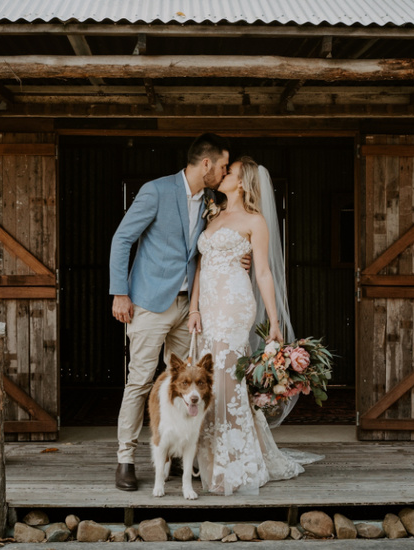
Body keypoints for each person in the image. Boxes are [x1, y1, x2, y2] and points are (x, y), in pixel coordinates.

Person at [189, 156, 321, 496]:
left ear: (243, 182)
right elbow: (201, 268)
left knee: (228, 380)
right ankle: (210, 455)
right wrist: (193, 309)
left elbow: (263, 272)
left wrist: (275, 320)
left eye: (229, 172)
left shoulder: (255, 221)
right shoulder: (213, 214)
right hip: (208, 306)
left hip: (234, 304)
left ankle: (236, 462)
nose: (223, 173)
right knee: (209, 379)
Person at [109, 133, 230, 492]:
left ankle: (176, 459)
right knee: (141, 380)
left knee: (181, 382)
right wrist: (120, 293)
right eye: (222, 166)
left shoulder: (212, 200)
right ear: (205, 164)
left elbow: (206, 248)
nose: (224, 173)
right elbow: (122, 239)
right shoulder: (156, 191)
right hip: (148, 300)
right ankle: (126, 458)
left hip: (187, 307)